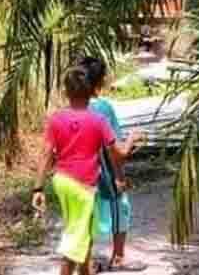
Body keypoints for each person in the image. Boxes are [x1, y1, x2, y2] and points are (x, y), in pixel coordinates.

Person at [32, 67, 142, 275]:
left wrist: (38, 188)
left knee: (85, 237)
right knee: (74, 243)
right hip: (82, 187)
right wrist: (131, 139)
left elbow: (46, 154)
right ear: (92, 91)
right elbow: (118, 154)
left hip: (62, 181)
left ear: (66, 92)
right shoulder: (98, 121)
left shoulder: (56, 119)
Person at [79, 56, 147, 272]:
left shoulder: (71, 109)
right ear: (100, 81)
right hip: (104, 176)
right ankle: (118, 257)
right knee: (121, 209)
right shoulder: (103, 108)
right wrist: (133, 139)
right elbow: (117, 152)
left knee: (86, 217)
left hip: (78, 176)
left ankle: (86, 263)